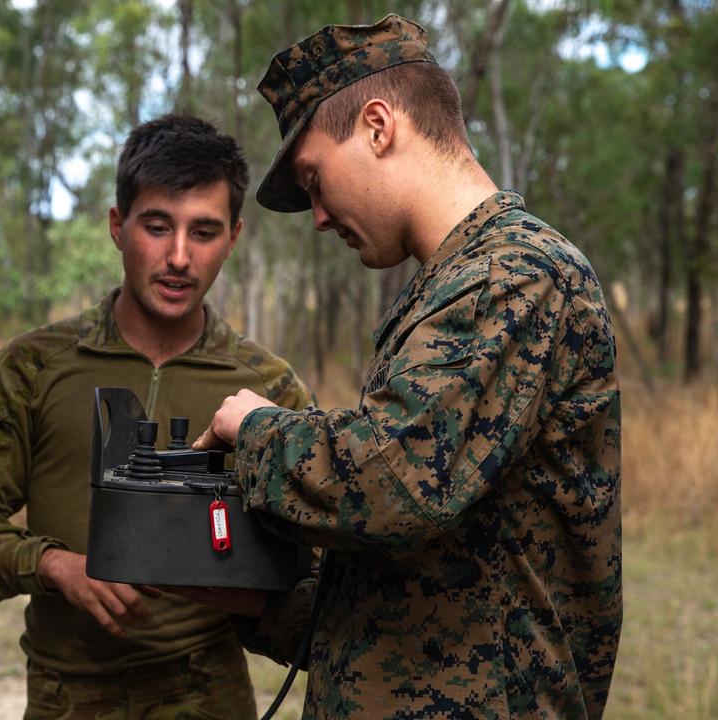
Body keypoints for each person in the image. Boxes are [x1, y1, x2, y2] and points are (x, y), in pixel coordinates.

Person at [188, 14, 622, 719]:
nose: (320, 217)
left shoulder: (514, 276)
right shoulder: (450, 285)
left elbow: (397, 481)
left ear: (379, 126)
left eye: (315, 179)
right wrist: (258, 600)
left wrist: (256, 428)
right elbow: (428, 584)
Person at [0, 114, 313, 719]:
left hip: (207, 695)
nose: (179, 257)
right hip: (67, 695)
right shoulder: (32, 368)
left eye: (204, 232)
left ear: (234, 238)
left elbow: (317, 562)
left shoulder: (267, 388)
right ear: (117, 226)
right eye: (157, 227)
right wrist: (55, 566)